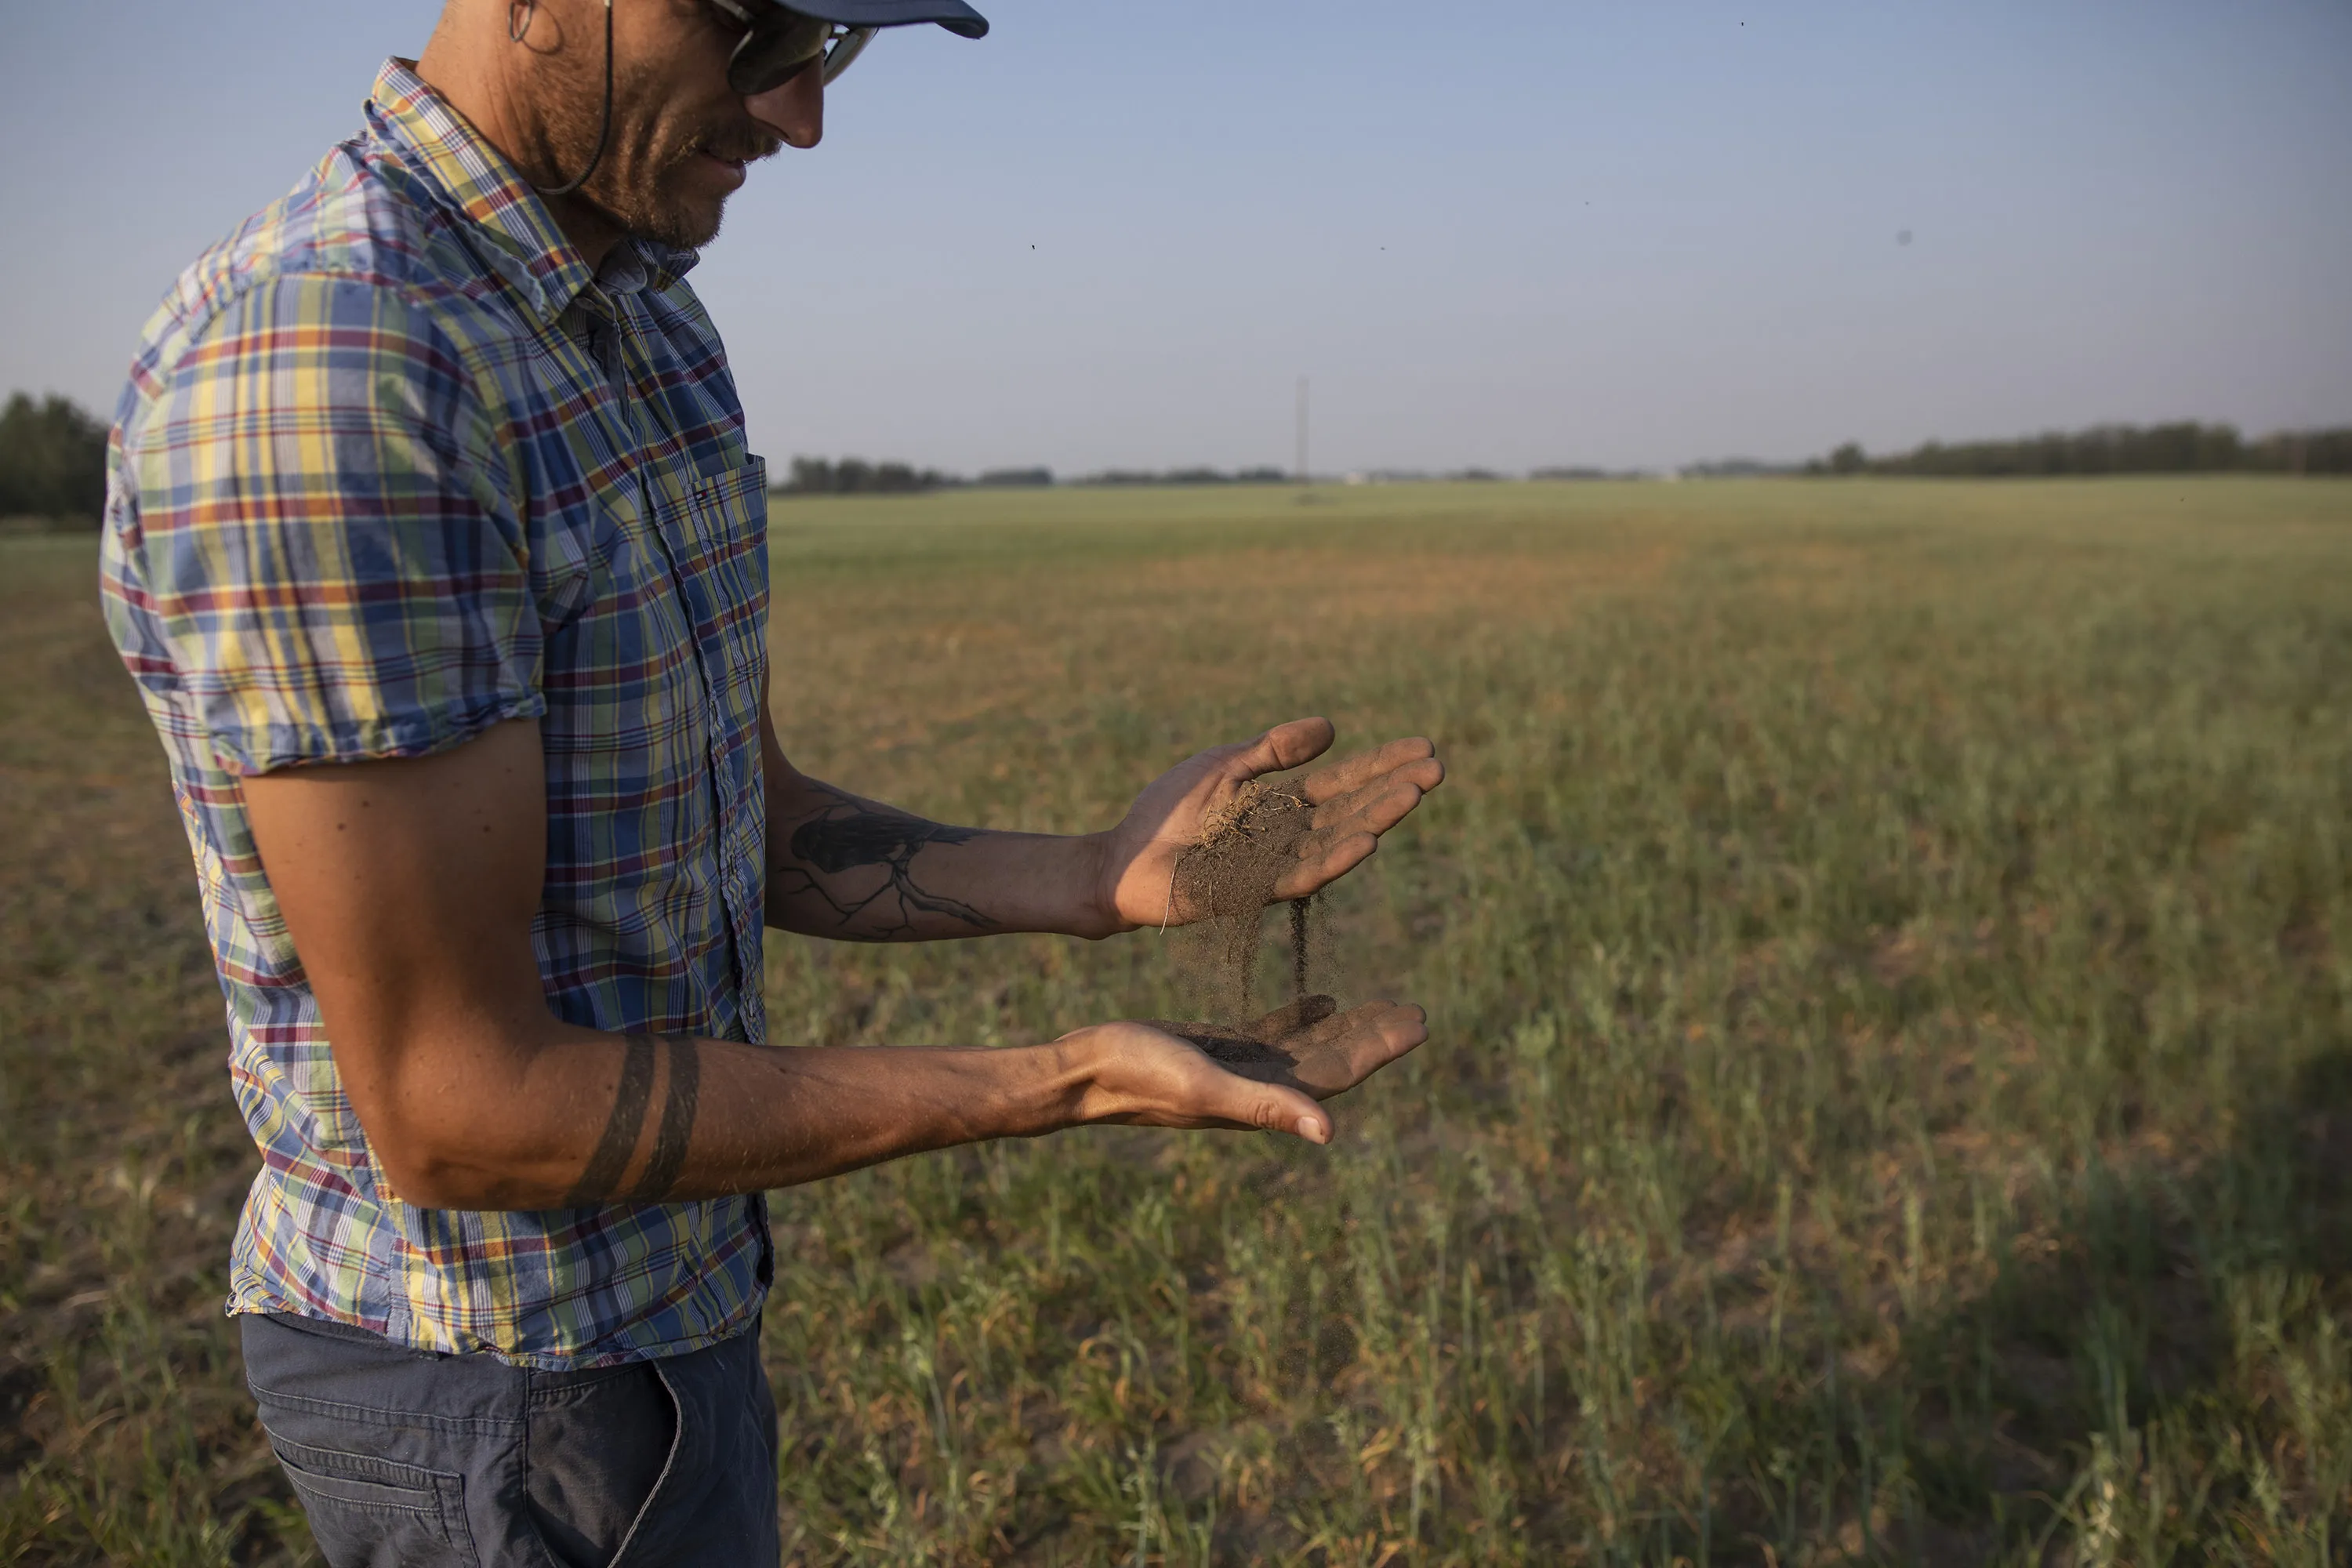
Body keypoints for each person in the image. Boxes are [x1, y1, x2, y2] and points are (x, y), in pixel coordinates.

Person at [98, 1, 1444, 1561]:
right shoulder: (334, 365)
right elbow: (457, 1108)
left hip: (672, 1312)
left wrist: (1090, 876)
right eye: (764, 34)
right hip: (489, 1378)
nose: (802, 116)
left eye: (834, 47)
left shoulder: (642, 320)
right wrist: (1068, 1078)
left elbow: (744, 811)